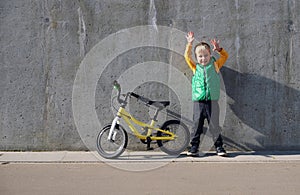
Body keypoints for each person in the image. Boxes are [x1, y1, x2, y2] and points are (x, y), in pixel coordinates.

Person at [184, 31, 229, 157]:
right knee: (196, 125)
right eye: (200, 56)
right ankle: (194, 147)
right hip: (198, 102)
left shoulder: (215, 65)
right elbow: (187, 57)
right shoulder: (195, 67)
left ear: (210, 55)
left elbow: (225, 56)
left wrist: (219, 50)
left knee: (214, 125)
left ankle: (219, 147)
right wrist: (190, 44)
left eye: (206, 55)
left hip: (212, 102)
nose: (203, 58)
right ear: (197, 58)